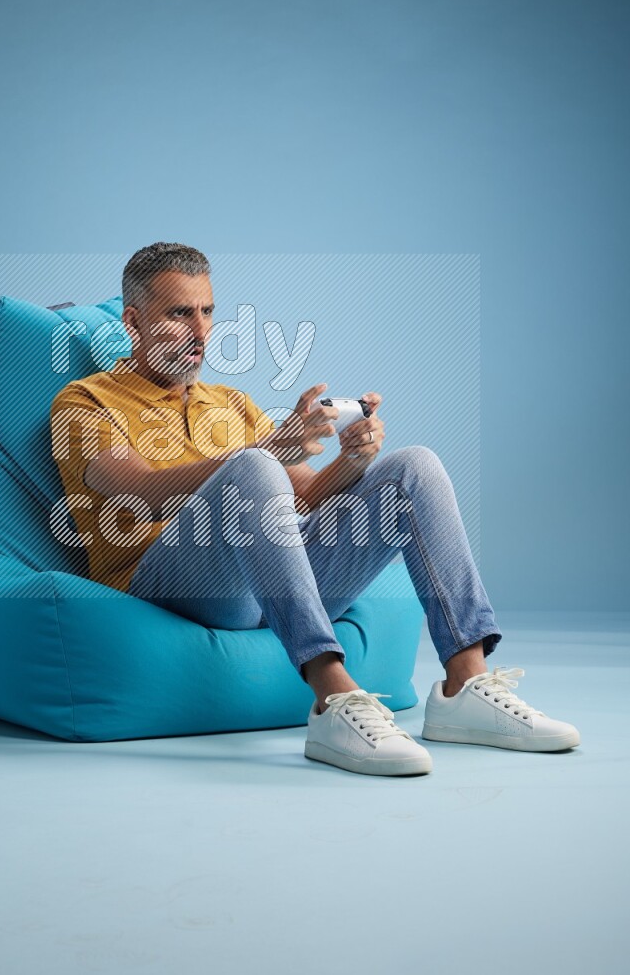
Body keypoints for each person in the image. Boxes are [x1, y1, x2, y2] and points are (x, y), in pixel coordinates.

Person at [51, 242, 580, 777]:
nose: (200, 329)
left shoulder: (231, 404)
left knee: (412, 467)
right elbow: (137, 490)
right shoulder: (84, 401)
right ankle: (332, 699)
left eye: (208, 311)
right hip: (169, 583)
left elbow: (305, 495)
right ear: (135, 322)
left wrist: (352, 460)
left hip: (270, 578)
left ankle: (464, 682)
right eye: (179, 313)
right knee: (255, 469)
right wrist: (266, 454)